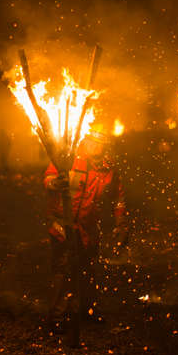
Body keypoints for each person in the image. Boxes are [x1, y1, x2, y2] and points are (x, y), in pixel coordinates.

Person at [44, 123, 128, 332]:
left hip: (89, 227)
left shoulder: (109, 169)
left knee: (88, 269)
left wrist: (121, 223)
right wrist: (54, 183)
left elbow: (119, 198)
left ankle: (87, 310)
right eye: (92, 142)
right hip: (64, 223)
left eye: (100, 144)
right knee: (63, 269)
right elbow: (47, 179)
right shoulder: (69, 159)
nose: (95, 147)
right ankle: (56, 316)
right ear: (85, 140)